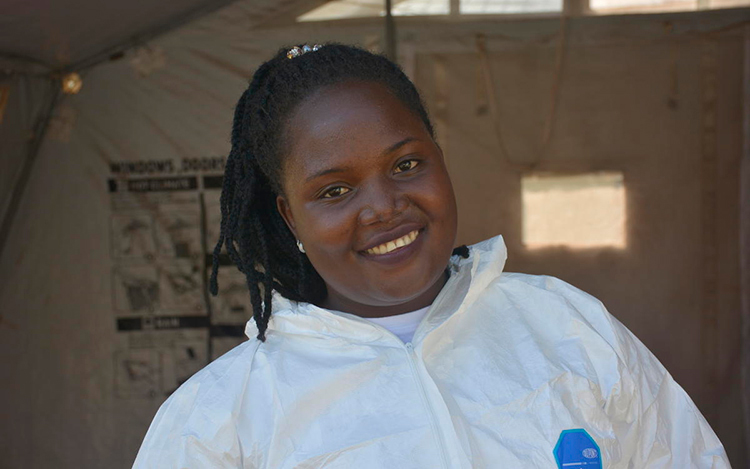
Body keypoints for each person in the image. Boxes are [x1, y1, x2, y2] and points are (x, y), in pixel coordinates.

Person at [133, 43, 729, 468]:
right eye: (335, 191)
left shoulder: (567, 328)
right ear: (291, 217)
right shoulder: (219, 420)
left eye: (406, 165)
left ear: (441, 161)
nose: (384, 207)